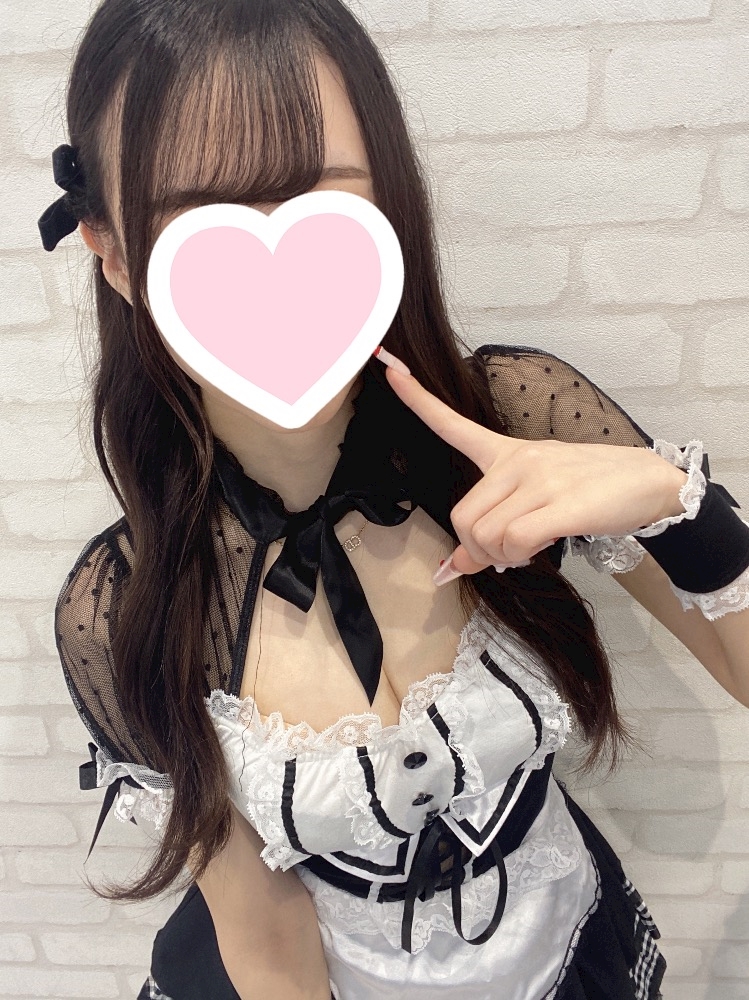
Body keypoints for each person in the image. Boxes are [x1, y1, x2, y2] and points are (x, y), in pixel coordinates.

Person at [38, 1, 749, 998]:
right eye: (199, 217)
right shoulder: (125, 605)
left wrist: (671, 500)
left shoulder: (514, 419)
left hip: (561, 948)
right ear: (112, 252)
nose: (275, 261)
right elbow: (263, 935)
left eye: (320, 198)